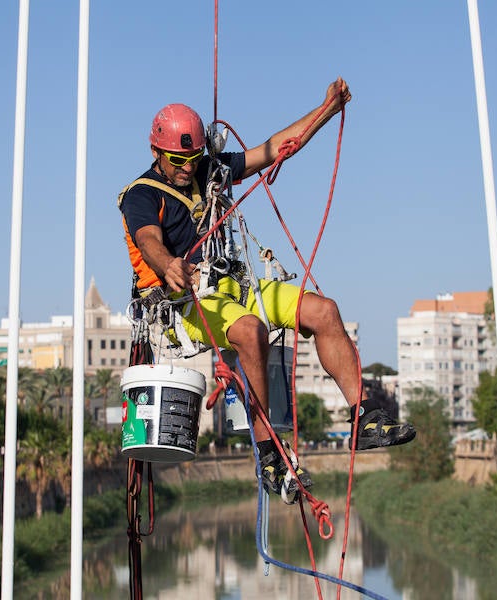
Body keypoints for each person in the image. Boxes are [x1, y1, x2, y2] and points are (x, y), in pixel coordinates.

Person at [118, 77, 415, 498]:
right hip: (185, 303)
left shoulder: (210, 171)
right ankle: (269, 455)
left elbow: (274, 148)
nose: (186, 168)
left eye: (192, 157)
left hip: (233, 287)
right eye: (176, 159)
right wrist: (168, 264)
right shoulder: (142, 195)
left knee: (324, 311)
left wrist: (325, 110)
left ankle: (364, 419)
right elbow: (148, 240)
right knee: (249, 331)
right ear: (155, 152)